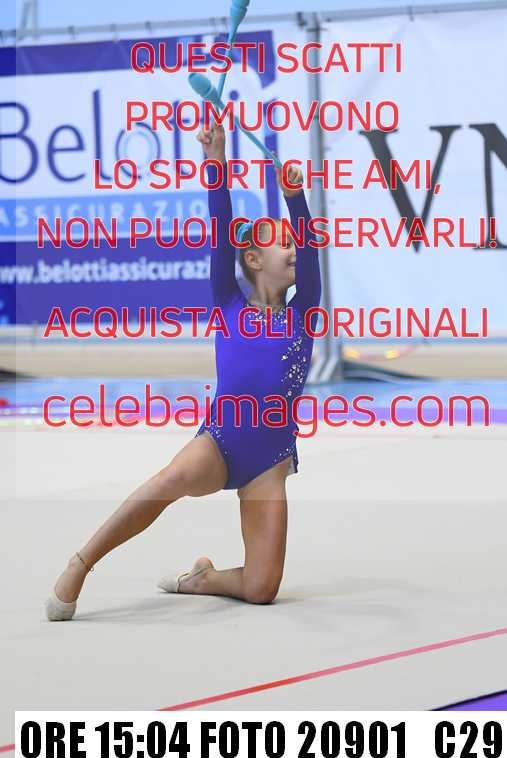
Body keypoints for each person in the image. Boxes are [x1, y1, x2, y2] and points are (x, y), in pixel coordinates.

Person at [45, 122, 321, 621]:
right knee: (169, 480)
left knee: (262, 589)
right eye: (284, 243)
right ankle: (81, 563)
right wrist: (216, 162)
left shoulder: (304, 314)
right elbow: (220, 231)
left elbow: (313, 257)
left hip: (270, 461)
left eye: (296, 242)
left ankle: (204, 579)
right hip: (221, 442)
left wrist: (295, 200)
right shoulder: (228, 303)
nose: (295, 249)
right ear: (253, 258)